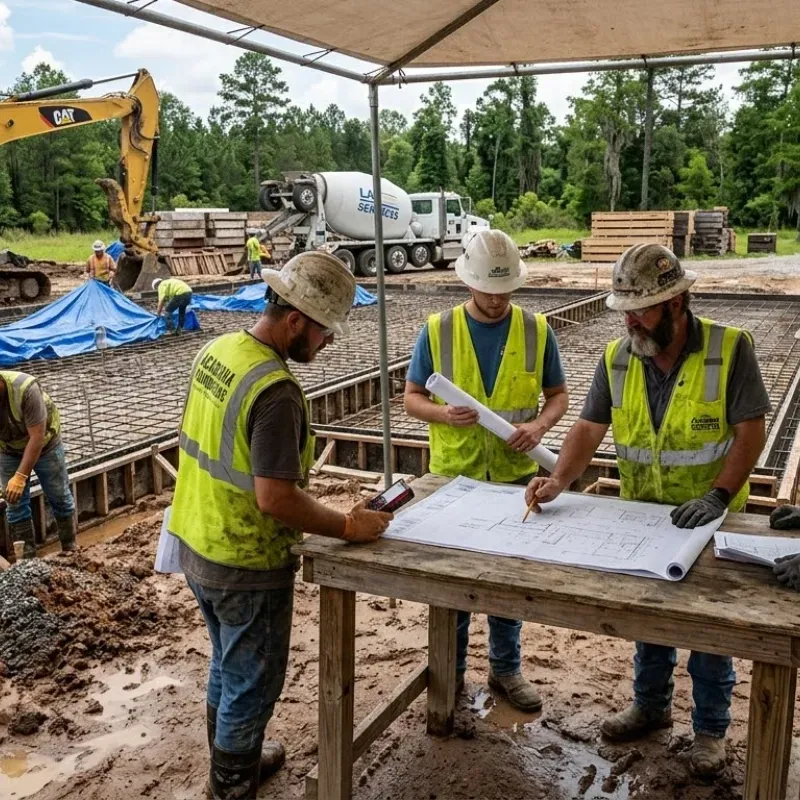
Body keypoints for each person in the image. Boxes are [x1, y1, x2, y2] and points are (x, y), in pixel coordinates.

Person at [525, 243, 770, 778]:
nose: (630, 321)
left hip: (710, 520)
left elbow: (750, 432)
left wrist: (717, 496)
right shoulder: (618, 358)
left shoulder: (730, 349)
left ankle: (710, 731)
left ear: (676, 303)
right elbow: (589, 427)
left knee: (711, 633)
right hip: (644, 515)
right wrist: (559, 479)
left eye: (641, 311)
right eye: (625, 311)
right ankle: (652, 706)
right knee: (651, 622)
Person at [168, 252, 393, 800]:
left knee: (228, 662)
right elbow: (275, 498)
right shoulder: (275, 391)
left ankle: (232, 761)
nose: (328, 342)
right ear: (295, 320)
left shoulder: (220, 350)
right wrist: (347, 525)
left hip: (195, 537)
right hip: (244, 559)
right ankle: (232, 784)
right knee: (252, 683)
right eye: (324, 331)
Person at [404, 229, 569, 713]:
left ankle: (505, 669)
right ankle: (450, 673)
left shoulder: (536, 331)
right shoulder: (438, 330)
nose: (497, 300)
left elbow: (558, 397)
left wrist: (539, 426)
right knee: (450, 585)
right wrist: (441, 414)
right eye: (488, 290)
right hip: (454, 477)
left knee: (506, 584)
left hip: (514, 478)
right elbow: (412, 397)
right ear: (468, 282)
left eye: (505, 291)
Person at [0, 371, 76, 558]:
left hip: (45, 445)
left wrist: (20, 476)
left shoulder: (25, 389)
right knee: (14, 504)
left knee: (59, 495)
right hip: (8, 448)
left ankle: (71, 549)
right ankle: (27, 561)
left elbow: (37, 437)